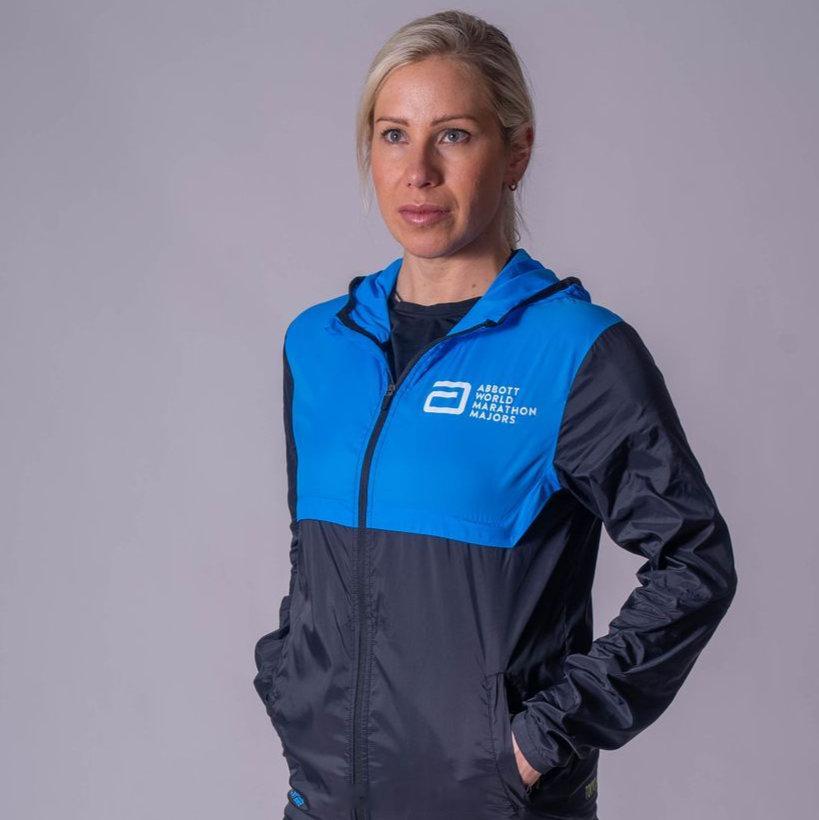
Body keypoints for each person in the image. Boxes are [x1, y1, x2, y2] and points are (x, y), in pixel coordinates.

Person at [252, 10, 738, 820]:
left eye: (452, 135)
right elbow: (316, 557)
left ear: (515, 153)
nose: (417, 172)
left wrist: (537, 742)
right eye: (393, 135)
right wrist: (290, 684)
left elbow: (694, 563)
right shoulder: (318, 345)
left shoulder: (575, 352)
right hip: (325, 801)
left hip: (494, 804)